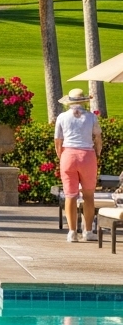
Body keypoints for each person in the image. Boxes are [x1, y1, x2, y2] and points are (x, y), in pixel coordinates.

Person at [56, 89, 104, 243]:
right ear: (83, 101)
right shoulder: (91, 117)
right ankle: (88, 231)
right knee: (88, 195)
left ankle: (71, 232)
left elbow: (58, 141)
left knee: (70, 195)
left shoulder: (62, 117)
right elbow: (98, 138)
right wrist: (97, 152)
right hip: (87, 156)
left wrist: (61, 156)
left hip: (68, 155)